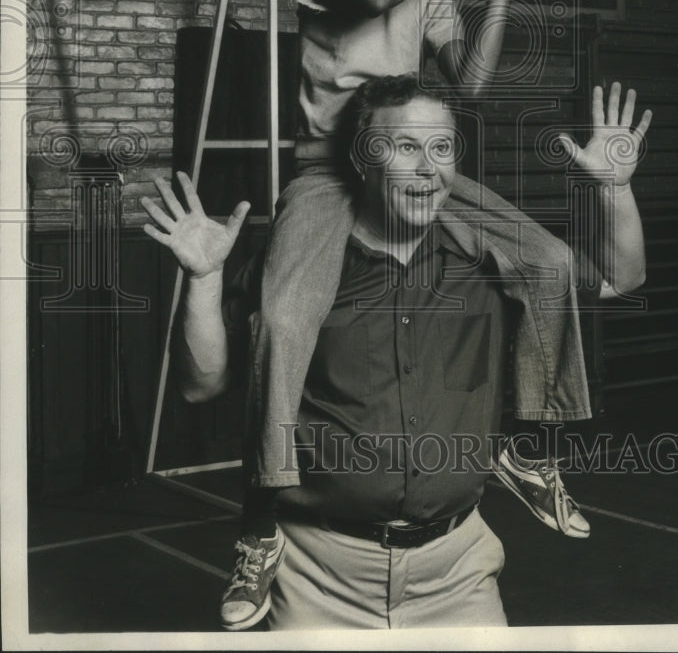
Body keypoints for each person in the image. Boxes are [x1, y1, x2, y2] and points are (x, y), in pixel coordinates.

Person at [147, 0, 594, 630]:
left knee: (547, 260)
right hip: (328, 176)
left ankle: (528, 448)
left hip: (403, 165)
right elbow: (372, 1)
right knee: (284, 319)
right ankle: (258, 526)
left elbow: (475, 85)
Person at [142, 74, 651, 629]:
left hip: (458, 571)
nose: (428, 169)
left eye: (441, 148)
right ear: (362, 160)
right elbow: (201, 384)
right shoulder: (297, 266)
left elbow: (620, 279)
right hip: (317, 577)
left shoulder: (488, 258)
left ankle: (527, 458)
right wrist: (205, 277)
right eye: (406, 147)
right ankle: (258, 529)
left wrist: (614, 189)